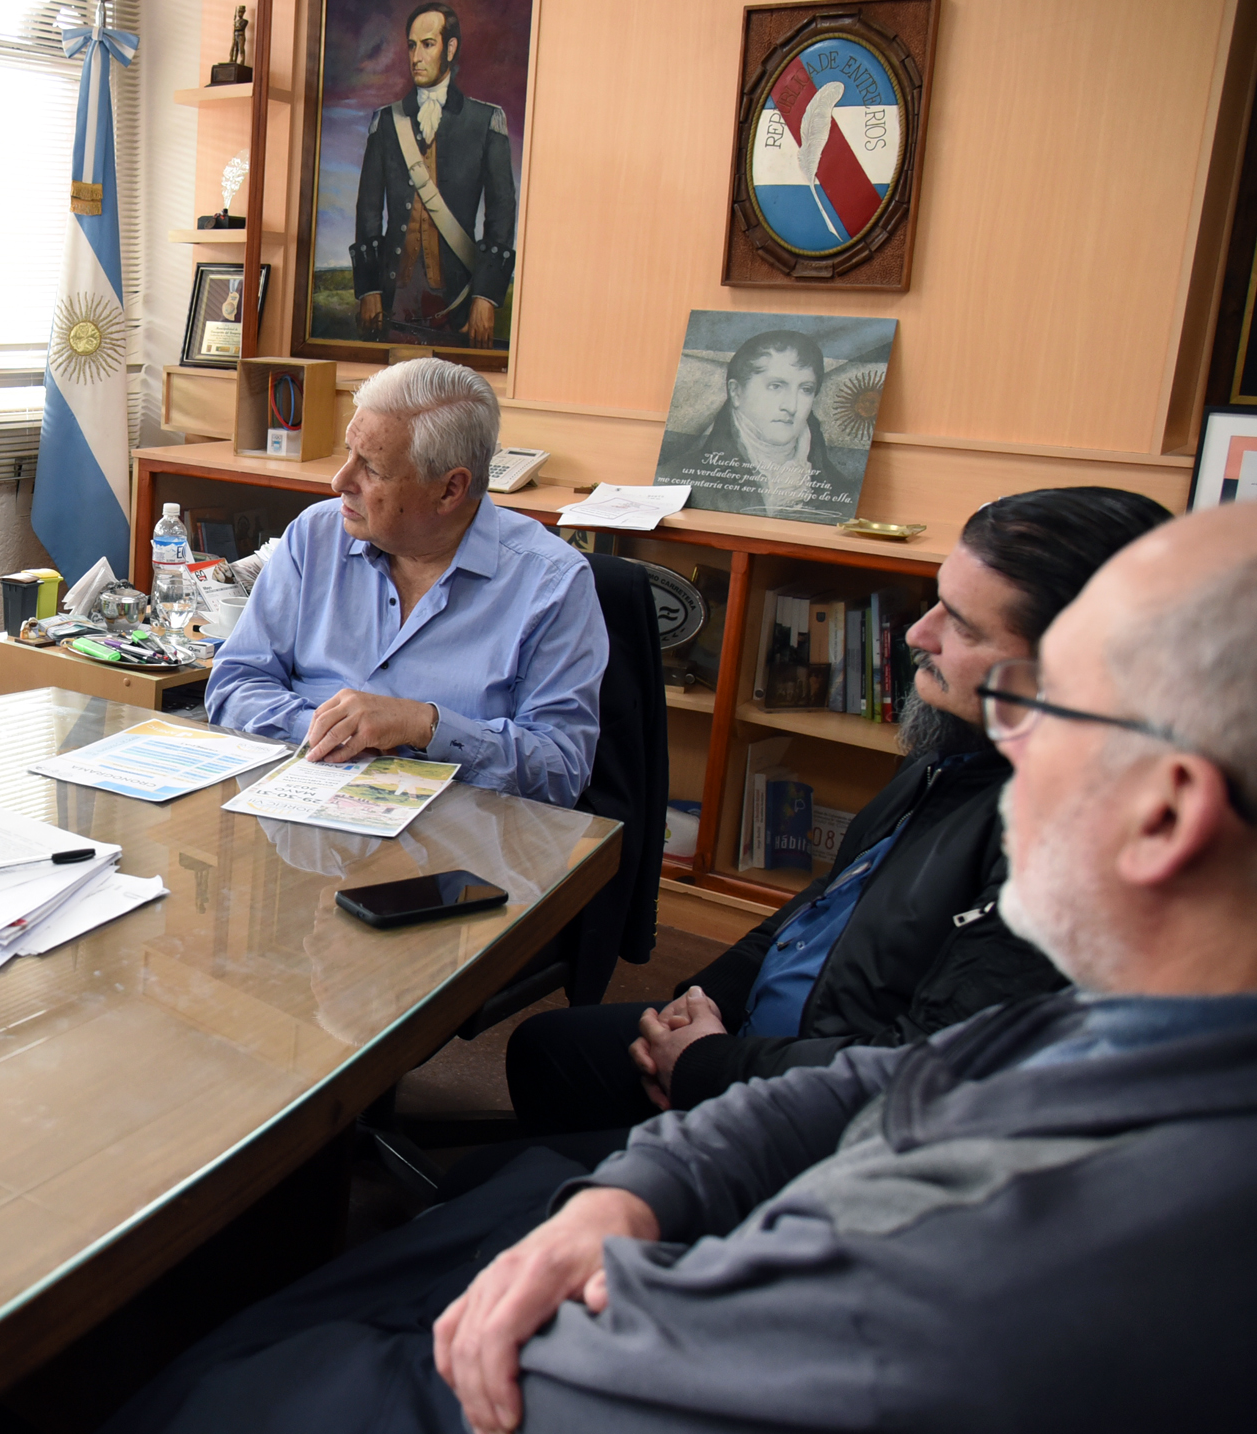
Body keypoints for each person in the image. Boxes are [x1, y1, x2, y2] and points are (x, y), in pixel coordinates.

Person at [103, 501, 1257, 1434]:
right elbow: (898, 1070)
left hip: (625, 1329)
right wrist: (644, 1181)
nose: (1007, 750)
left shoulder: (975, 1281)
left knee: (214, 1372)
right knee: (435, 1219)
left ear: (1163, 814)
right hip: (725, 1145)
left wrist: (701, 1083)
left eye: (1033, 712)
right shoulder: (1129, 1013)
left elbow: (562, 1383)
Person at [507, 486, 1174, 1139]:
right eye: (937, 602)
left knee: (503, 1186)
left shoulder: (1068, 854)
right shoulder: (959, 744)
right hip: (770, 1038)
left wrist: (708, 1066)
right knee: (549, 1051)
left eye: (962, 624)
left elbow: (924, 1075)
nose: (918, 633)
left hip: (826, 1107)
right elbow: (825, 902)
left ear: (1070, 668)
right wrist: (707, 995)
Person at [206, 358, 603, 806]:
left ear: (449, 490)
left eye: (372, 468)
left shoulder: (552, 583)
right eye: (347, 452)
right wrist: (334, 735)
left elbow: (560, 769)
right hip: (299, 803)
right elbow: (235, 684)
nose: (339, 481)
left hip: (455, 831)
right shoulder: (315, 536)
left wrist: (426, 727)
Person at [352, 3, 517, 347]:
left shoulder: (486, 122)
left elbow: (501, 215)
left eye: (428, 44)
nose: (416, 56)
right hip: (395, 300)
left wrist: (485, 297)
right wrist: (369, 289)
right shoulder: (386, 122)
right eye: (412, 45)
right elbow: (368, 211)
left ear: (450, 48)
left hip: (459, 300)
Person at [658, 329, 856, 521]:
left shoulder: (843, 493)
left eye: (806, 389)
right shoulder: (672, 479)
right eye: (776, 386)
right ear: (736, 392)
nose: (791, 406)